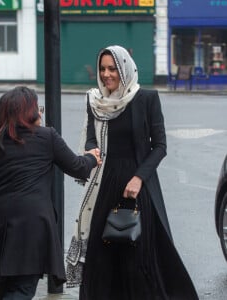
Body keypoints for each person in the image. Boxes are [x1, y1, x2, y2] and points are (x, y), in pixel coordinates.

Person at [66, 45, 199, 299]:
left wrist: (139, 177)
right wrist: (92, 152)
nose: (106, 74)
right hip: (103, 186)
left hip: (137, 188)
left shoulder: (146, 98)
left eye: (112, 68)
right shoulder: (95, 101)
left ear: (125, 68)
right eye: (102, 69)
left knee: (137, 258)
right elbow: (91, 140)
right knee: (101, 258)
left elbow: (160, 146)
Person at [0, 86, 101, 300]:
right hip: (30, 226)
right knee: (22, 288)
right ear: (27, 113)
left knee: (6, 288)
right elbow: (77, 167)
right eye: (36, 108)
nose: (40, 112)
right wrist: (92, 157)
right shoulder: (46, 137)